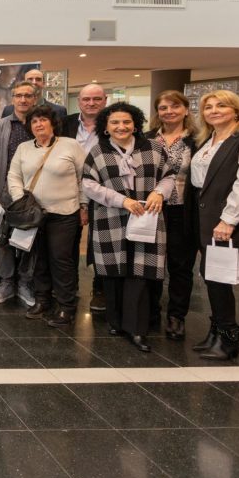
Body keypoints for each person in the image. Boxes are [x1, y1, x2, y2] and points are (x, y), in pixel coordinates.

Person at [82, 103, 175, 352]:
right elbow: (89, 184)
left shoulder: (153, 148)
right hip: (111, 218)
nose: (121, 127)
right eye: (114, 122)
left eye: (126, 122)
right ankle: (116, 322)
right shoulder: (98, 151)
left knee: (140, 272)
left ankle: (136, 328)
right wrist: (122, 201)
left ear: (135, 124)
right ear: (106, 126)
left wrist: (159, 193)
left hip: (147, 217)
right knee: (114, 272)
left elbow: (169, 176)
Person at [189, 90, 239, 361]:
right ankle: (216, 332)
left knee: (219, 277)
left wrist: (229, 219)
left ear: (236, 110)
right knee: (210, 275)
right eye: (208, 107)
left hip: (225, 218)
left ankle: (229, 338)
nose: (213, 111)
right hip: (206, 215)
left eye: (221, 105)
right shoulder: (210, 139)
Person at [8, 105, 86, 327]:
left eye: (43, 119)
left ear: (53, 123)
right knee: (39, 258)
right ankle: (42, 300)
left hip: (64, 213)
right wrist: (21, 199)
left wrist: (84, 205)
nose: (39, 124)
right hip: (33, 215)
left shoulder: (70, 145)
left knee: (60, 259)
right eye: (34, 121)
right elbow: (13, 176)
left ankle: (66, 306)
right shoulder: (24, 148)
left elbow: (84, 177)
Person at [146, 90, 198, 340]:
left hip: (182, 210)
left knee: (180, 265)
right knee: (151, 262)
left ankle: (176, 316)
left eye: (175, 106)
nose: (169, 112)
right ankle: (150, 311)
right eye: (163, 107)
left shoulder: (198, 140)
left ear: (186, 109)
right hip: (151, 209)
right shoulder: (147, 139)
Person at [0, 81, 38, 308]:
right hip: (5, 192)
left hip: (34, 193)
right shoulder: (1, 126)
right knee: (3, 239)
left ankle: (25, 283)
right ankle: (6, 282)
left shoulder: (40, 124)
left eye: (28, 96)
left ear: (35, 99)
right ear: (12, 99)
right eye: (19, 95)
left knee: (29, 239)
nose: (23, 100)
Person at [62, 83, 109, 312]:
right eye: (86, 99)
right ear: (79, 101)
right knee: (69, 241)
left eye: (96, 99)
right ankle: (68, 287)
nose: (91, 103)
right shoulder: (66, 123)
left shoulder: (113, 123)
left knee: (102, 242)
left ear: (105, 100)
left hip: (105, 191)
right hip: (69, 190)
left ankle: (100, 290)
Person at [1, 69, 68, 122]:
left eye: (38, 79)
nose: (34, 82)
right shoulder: (8, 110)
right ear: (24, 82)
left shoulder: (59, 111)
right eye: (30, 79)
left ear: (44, 83)